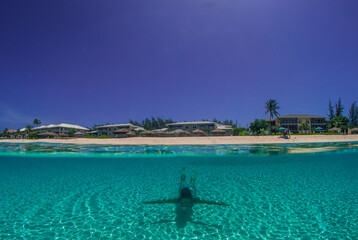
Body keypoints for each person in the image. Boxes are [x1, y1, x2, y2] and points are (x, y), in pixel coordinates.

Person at [142, 168, 228, 207]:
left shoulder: (193, 199)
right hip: (186, 189)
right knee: (184, 183)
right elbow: (160, 202)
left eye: (186, 201)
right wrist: (149, 202)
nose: (186, 203)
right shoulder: (178, 199)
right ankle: (188, 173)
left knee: (190, 183)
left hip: (190, 189)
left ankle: (190, 173)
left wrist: (220, 203)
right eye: (185, 201)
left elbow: (209, 202)